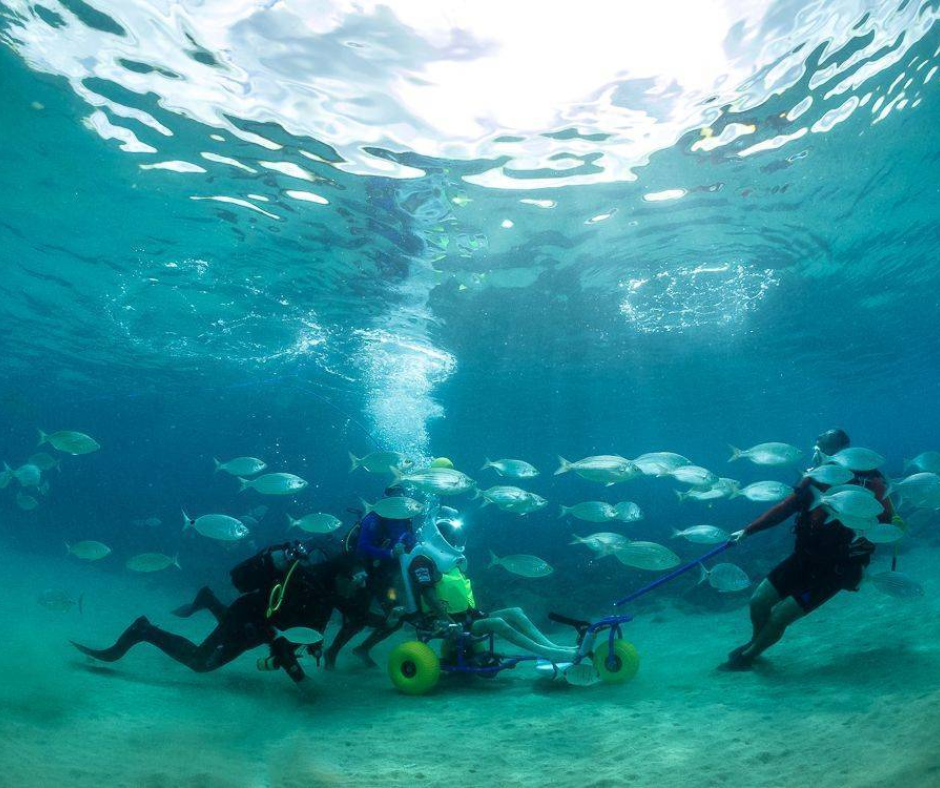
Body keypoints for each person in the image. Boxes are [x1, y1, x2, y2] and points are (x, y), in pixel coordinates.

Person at [72, 537, 364, 690]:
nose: (358, 586)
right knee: (201, 663)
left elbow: (301, 631)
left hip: (254, 621)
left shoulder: (326, 596)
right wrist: (302, 682)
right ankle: (144, 630)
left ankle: (208, 599)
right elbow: (279, 642)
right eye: (355, 580)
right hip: (246, 621)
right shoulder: (307, 589)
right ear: (339, 577)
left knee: (231, 628)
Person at [723, 428, 896, 671]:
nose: (814, 455)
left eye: (819, 450)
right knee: (758, 601)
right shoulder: (814, 477)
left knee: (781, 616)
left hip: (836, 569)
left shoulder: (871, 482)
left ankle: (748, 657)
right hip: (805, 558)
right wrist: (748, 530)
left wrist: (865, 544)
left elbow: (886, 522)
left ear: (837, 452)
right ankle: (756, 642)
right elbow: (786, 508)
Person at [404, 514, 577, 664]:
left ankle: (552, 646)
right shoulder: (422, 561)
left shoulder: (445, 561)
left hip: (465, 618)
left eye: (453, 537)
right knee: (497, 622)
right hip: (441, 622)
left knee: (515, 611)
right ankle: (548, 653)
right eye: (449, 537)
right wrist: (450, 622)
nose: (453, 541)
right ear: (438, 538)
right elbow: (429, 597)